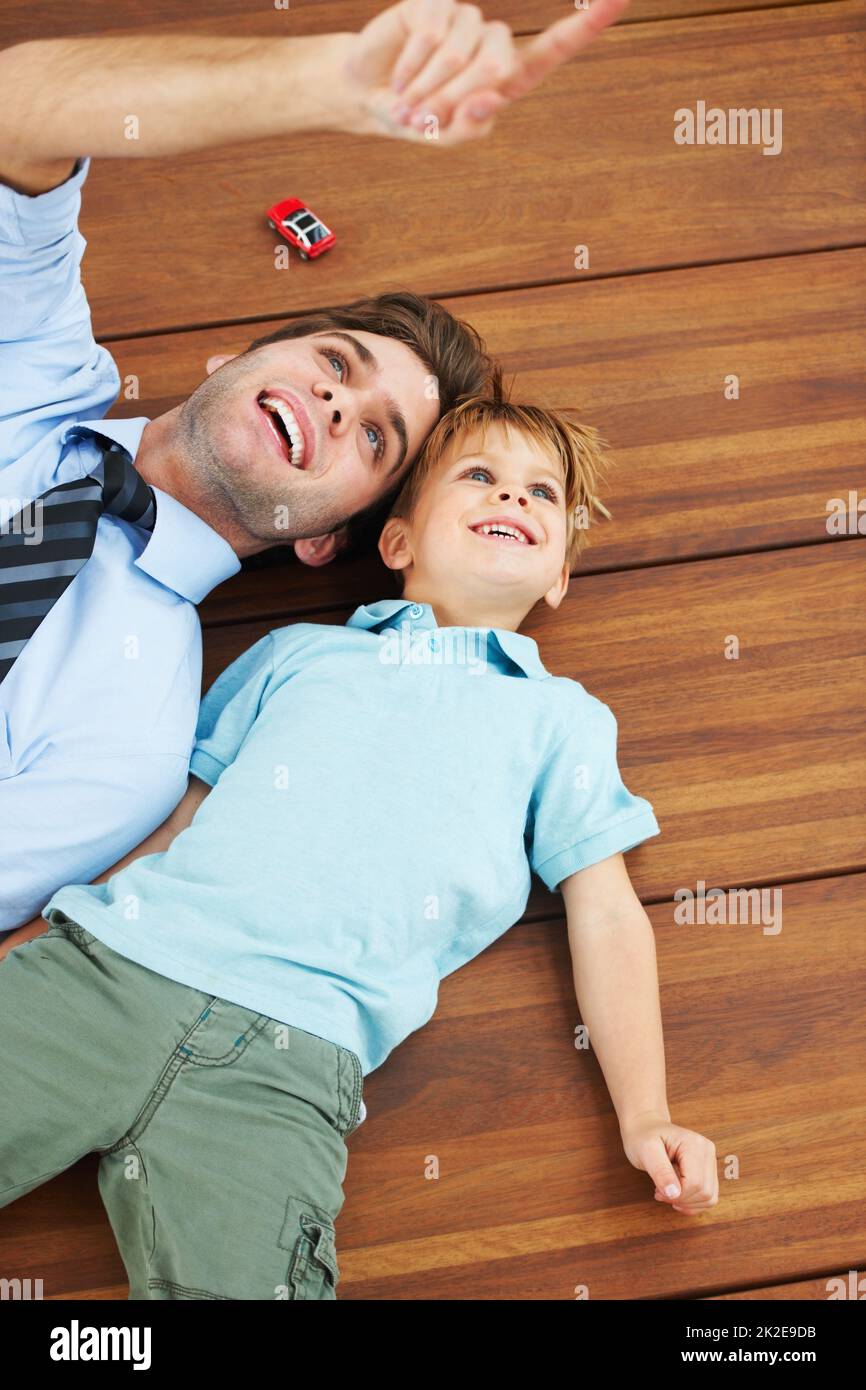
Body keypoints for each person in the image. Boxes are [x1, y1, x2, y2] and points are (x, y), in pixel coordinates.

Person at [0, 379, 718, 1300]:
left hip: (288, 1063)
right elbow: (177, 820)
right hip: (106, 976)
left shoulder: (560, 721)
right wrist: (42, 938)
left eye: (543, 495)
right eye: (481, 477)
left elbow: (609, 916)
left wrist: (646, 1113)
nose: (513, 499)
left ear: (561, 576)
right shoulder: (298, 654)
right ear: (398, 541)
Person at [0, 0, 630, 932]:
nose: (338, 406)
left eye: (375, 439)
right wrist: (328, 82)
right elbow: (17, 110)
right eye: (336, 364)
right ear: (231, 362)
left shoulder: (131, 744)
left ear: (328, 537)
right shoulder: (36, 364)